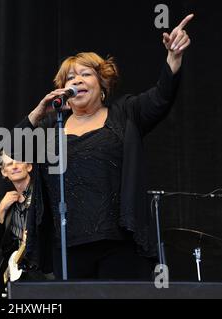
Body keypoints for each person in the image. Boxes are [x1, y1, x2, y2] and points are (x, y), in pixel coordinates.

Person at [11, 14, 194, 280]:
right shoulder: (51, 127)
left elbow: (161, 97)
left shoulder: (125, 113)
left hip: (119, 241)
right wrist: (37, 113)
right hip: (67, 244)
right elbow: (15, 149)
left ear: (103, 85)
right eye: (70, 78)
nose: (77, 80)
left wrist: (173, 58)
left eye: (86, 74)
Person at [0, 151, 49, 298]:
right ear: (4, 172)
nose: (14, 166)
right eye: (9, 164)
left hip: (43, 273)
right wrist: (1, 211)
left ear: (29, 166)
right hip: (20, 278)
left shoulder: (42, 195)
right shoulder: (9, 204)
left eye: (18, 161)